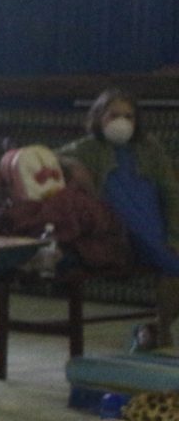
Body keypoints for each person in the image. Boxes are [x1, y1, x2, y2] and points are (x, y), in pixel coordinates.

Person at [60, 88, 179, 346]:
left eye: (128, 116)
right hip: (121, 228)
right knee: (173, 264)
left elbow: (170, 191)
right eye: (114, 115)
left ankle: (156, 329)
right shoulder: (88, 148)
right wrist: (73, 166)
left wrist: (174, 233)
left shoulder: (150, 148)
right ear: (99, 117)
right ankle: (159, 332)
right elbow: (52, 157)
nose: (122, 122)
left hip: (152, 220)